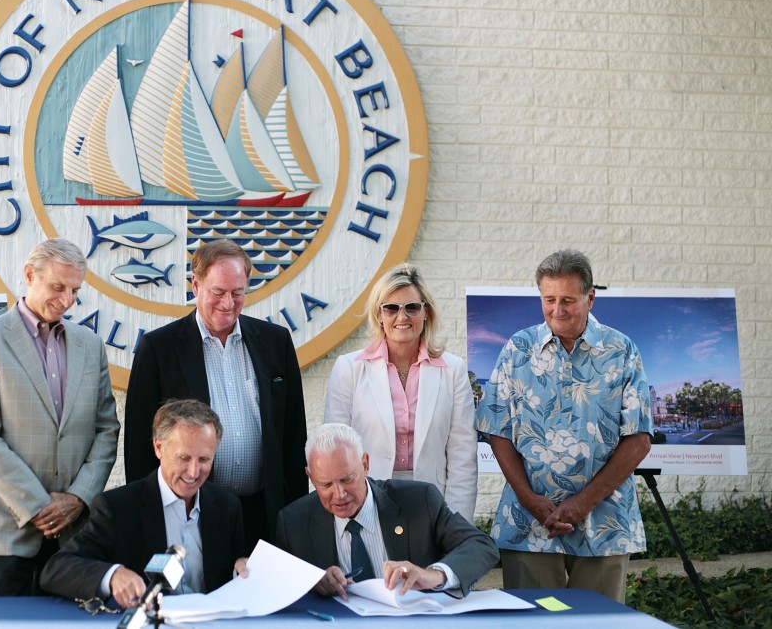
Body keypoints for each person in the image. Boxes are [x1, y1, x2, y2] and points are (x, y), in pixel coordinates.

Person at [475, 249, 652, 603]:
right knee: (535, 623)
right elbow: (498, 431)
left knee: (598, 625)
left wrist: (583, 503)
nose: (558, 310)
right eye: (549, 299)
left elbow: (639, 439)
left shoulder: (622, 351)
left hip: (605, 523)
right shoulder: (517, 350)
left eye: (568, 300)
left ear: (590, 297)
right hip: (529, 524)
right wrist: (529, 499)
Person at [0, 238, 120, 597]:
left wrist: (78, 498)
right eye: (57, 287)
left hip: (75, 531)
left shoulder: (90, 345)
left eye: (75, 290)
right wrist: (38, 505)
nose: (67, 301)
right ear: (30, 275)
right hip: (8, 530)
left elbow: (106, 429)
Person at [123, 239, 307, 550]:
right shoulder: (159, 349)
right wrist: (151, 518)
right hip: (192, 514)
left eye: (238, 292)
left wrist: (297, 516)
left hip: (266, 514)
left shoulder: (276, 342)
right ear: (195, 285)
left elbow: (292, 435)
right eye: (218, 292)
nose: (228, 303)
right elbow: (140, 446)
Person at [40, 399, 246, 605]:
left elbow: (232, 573)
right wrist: (113, 576)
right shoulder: (118, 508)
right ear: (158, 448)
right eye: (184, 458)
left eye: (204, 460)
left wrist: (243, 570)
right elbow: (56, 569)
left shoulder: (227, 506)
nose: (194, 472)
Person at [324, 263, 478, 522]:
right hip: (366, 501)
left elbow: (463, 454)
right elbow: (336, 451)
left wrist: (456, 523)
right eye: (391, 308)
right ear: (379, 315)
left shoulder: (453, 370)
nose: (402, 317)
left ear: (426, 312)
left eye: (412, 307)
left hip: (433, 504)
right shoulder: (349, 369)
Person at [274, 423, 498, 600]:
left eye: (347, 479)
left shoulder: (419, 501)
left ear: (365, 464)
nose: (339, 494)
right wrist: (313, 582)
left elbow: (481, 545)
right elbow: (277, 583)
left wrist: (431, 575)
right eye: (325, 485)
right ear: (310, 477)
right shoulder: (294, 522)